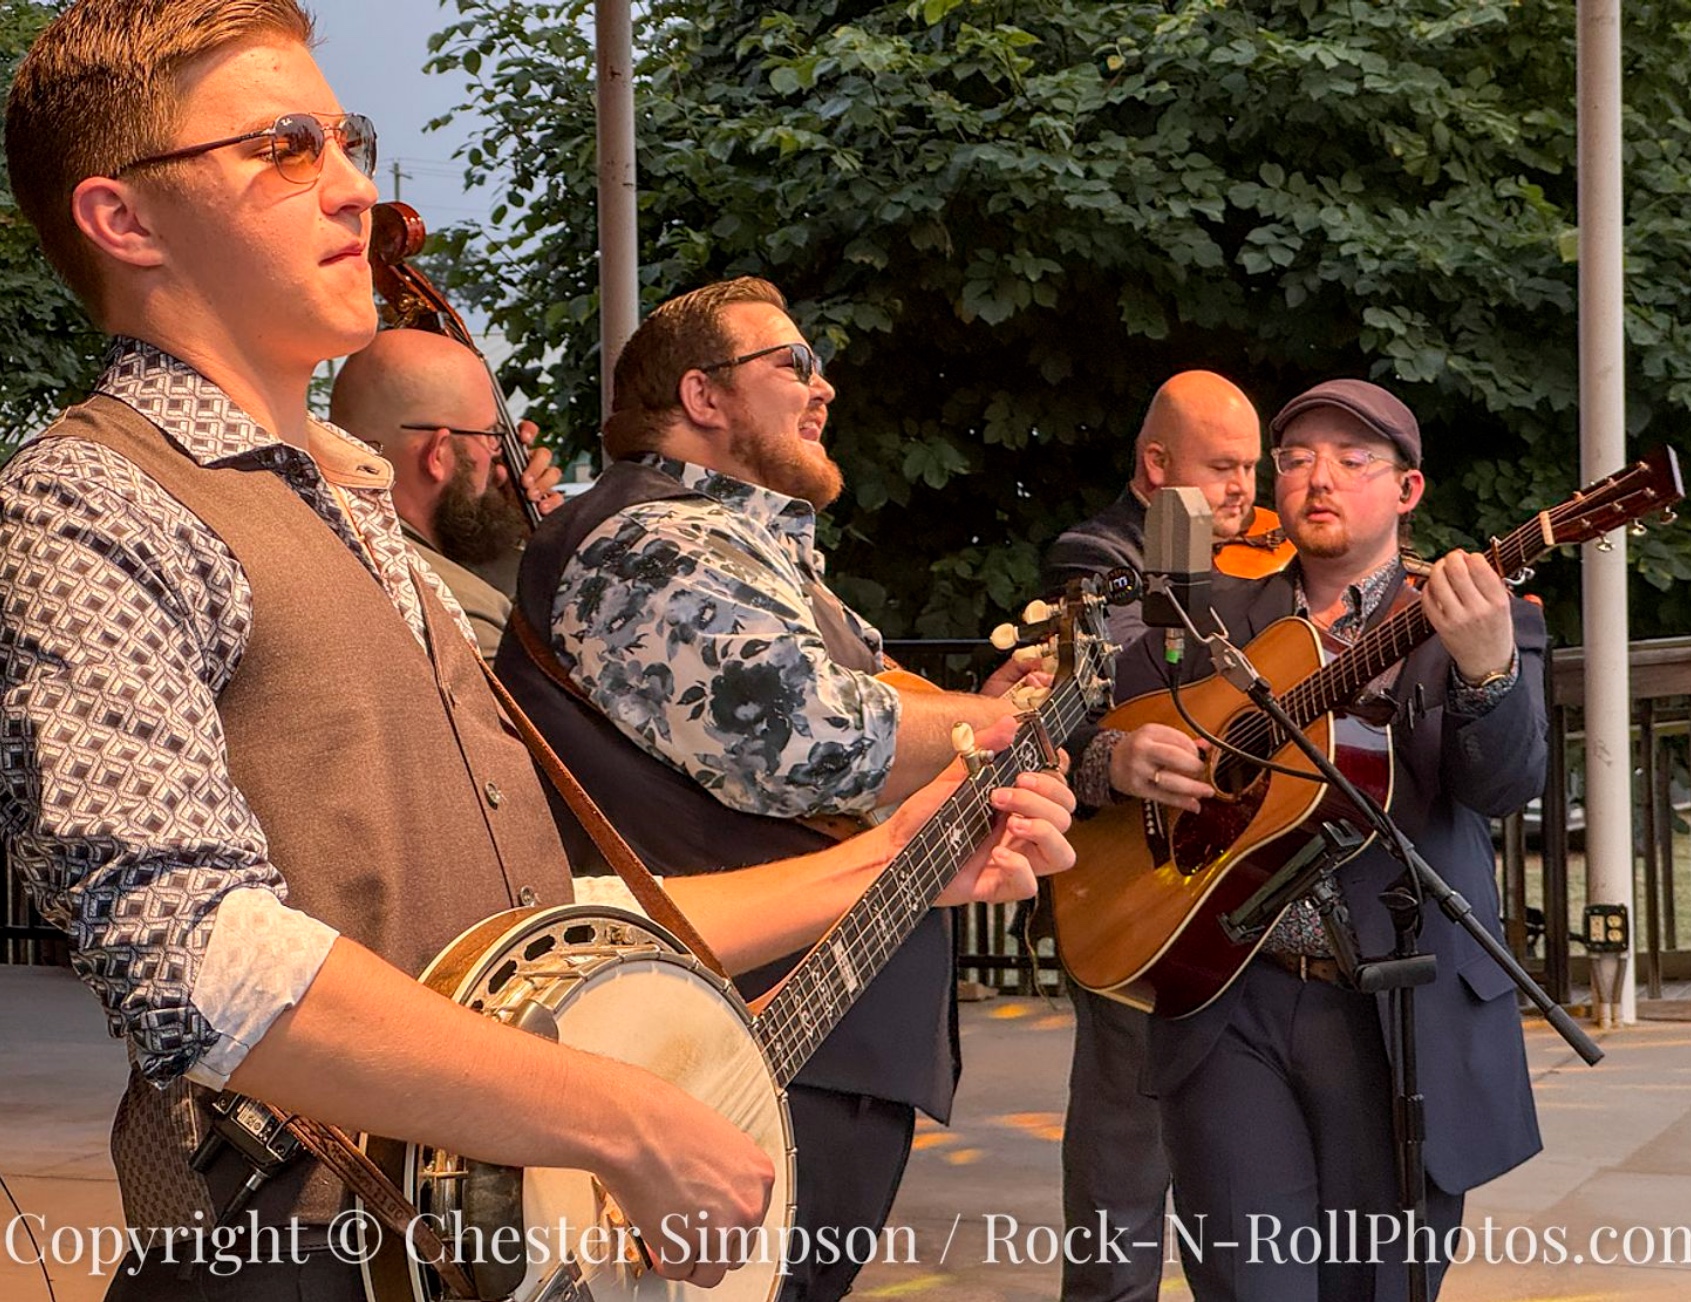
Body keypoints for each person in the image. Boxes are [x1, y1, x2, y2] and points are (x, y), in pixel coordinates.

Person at [0, 6, 1076, 1298]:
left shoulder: (343, 505)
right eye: (284, 147)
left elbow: (517, 937)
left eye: (347, 137)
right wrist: (621, 1115)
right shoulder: (85, 500)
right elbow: (188, 950)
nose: (351, 186)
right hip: (297, 1253)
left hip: (484, 1247)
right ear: (125, 219)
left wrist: (889, 862)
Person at [498, 275, 1056, 1302]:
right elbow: (815, 736)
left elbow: (881, 710)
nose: (824, 387)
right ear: (703, 398)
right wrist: (1005, 726)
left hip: (792, 1035)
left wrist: (976, 737)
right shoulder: (648, 541)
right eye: (791, 364)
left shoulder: (744, 548)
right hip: (739, 1038)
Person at [1126, 379, 1545, 1302]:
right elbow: (1091, 726)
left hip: (1397, 1008)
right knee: (1246, 1285)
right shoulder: (1211, 619)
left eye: (1354, 460)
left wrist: (1487, 674)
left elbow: (1506, 786)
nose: (1320, 477)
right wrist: (1116, 758)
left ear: (1407, 491)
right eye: (1298, 458)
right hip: (1233, 993)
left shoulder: (1479, 617)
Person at [1041, 369, 1263, 1302]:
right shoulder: (1093, 558)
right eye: (1223, 467)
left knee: (1246, 1178)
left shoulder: (1266, 563)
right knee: (1124, 1176)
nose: (1245, 489)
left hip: (1235, 892)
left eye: (1252, 467)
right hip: (1131, 890)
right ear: (1155, 464)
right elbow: (1077, 708)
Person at [329, 328, 562, 660]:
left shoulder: (329, 545)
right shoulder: (462, 610)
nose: (499, 459)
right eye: (491, 435)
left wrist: (513, 525)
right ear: (438, 454)